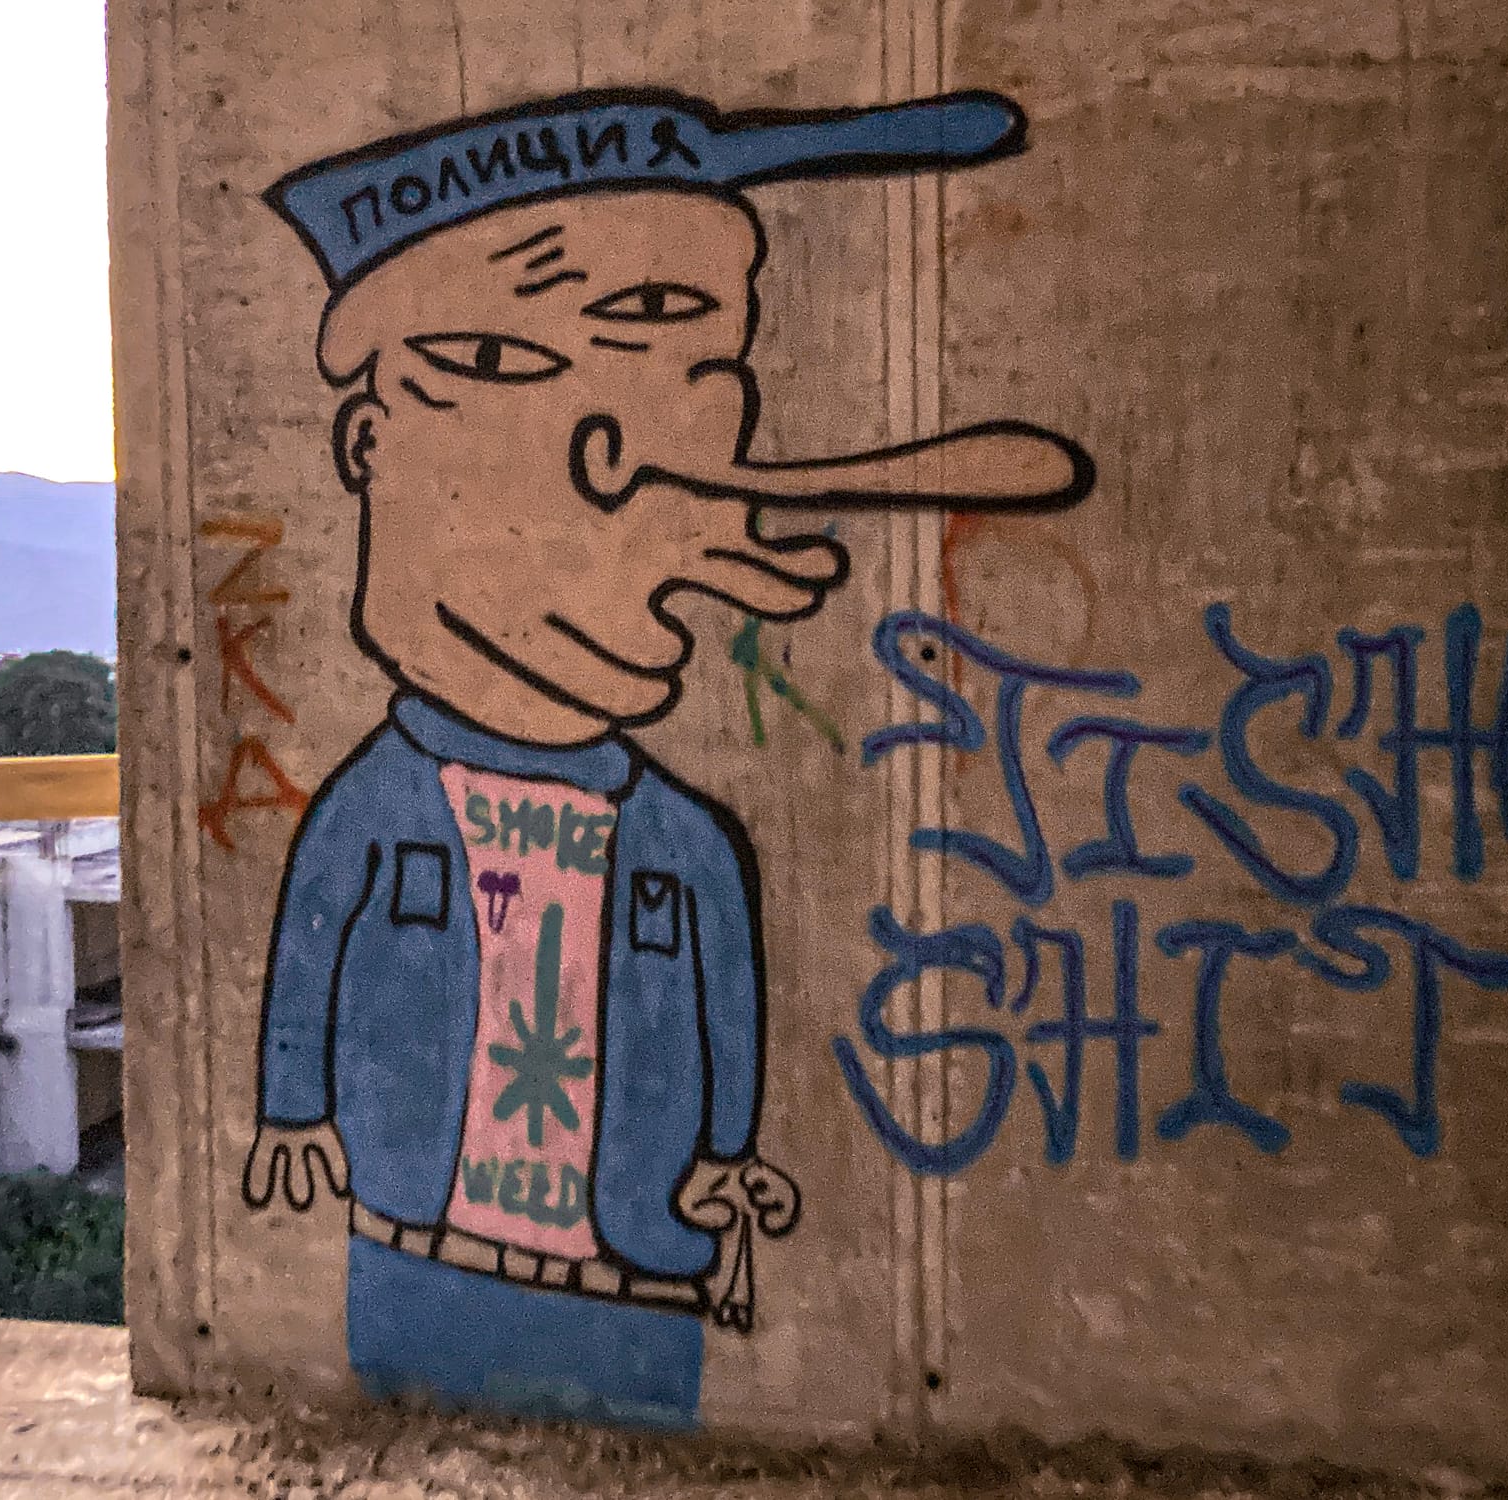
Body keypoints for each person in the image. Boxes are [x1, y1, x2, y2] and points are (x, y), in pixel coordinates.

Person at [240, 86, 1093, 1427]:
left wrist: (722, 1159)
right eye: (498, 366)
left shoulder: (685, 840)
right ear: (366, 443)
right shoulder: (380, 802)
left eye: (684, 389)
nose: (605, 479)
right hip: (410, 1233)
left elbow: (725, 995)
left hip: (638, 1272)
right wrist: (293, 1109)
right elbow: (309, 938)